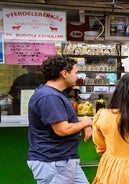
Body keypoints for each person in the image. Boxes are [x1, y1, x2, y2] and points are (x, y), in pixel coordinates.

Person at [27, 56, 93, 184]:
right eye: (75, 72)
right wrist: (86, 122)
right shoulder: (49, 96)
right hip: (54, 162)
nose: (77, 76)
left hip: (63, 160)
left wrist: (83, 122)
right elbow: (63, 129)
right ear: (64, 73)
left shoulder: (54, 94)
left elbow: (62, 119)